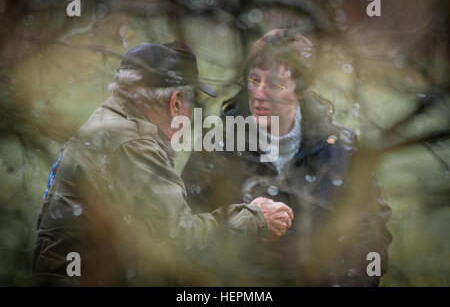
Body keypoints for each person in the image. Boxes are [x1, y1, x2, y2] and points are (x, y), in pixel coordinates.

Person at [32, 41, 294, 286]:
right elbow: (178, 242)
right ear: (176, 102)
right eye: (192, 106)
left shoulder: (107, 126)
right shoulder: (131, 144)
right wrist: (254, 217)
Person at [181, 29, 392, 286]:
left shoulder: (341, 149)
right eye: (254, 80)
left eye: (275, 84)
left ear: (303, 88)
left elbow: (369, 231)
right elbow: (188, 231)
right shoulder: (215, 145)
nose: (259, 94)